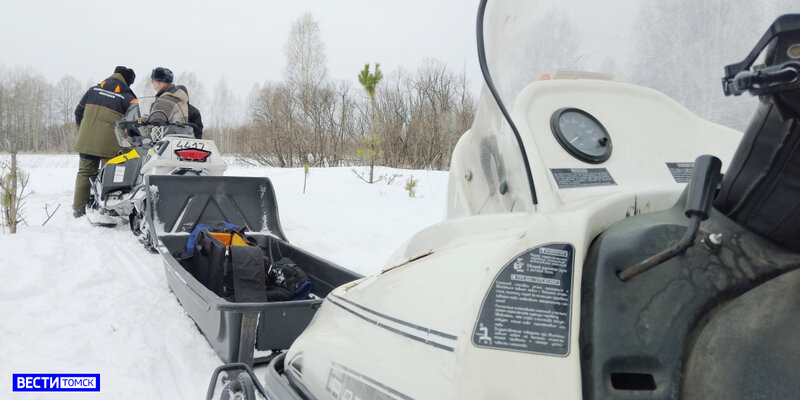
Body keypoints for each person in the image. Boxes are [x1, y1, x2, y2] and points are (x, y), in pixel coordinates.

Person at [72, 66, 138, 218]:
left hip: (86, 140)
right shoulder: (129, 98)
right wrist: (133, 141)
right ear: (128, 81)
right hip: (111, 144)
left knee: (84, 173)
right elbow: (134, 123)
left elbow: (78, 112)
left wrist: (82, 131)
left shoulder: (93, 90)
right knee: (110, 175)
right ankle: (109, 209)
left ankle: (78, 210)